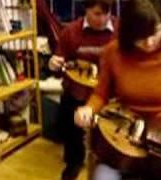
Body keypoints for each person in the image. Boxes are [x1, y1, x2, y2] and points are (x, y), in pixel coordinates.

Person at [74, 0, 161, 179]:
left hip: (160, 140)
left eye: (155, 32)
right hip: (120, 135)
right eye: (141, 36)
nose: (149, 43)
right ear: (128, 33)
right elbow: (100, 94)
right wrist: (88, 109)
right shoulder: (112, 52)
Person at [48, 0, 118, 179]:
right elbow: (59, 64)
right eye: (96, 13)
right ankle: (73, 163)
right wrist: (53, 63)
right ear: (85, 9)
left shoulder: (121, 30)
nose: (102, 19)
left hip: (109, 97)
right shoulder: (71, 31)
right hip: (77, 94)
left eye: (106, 13)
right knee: (71, 128)